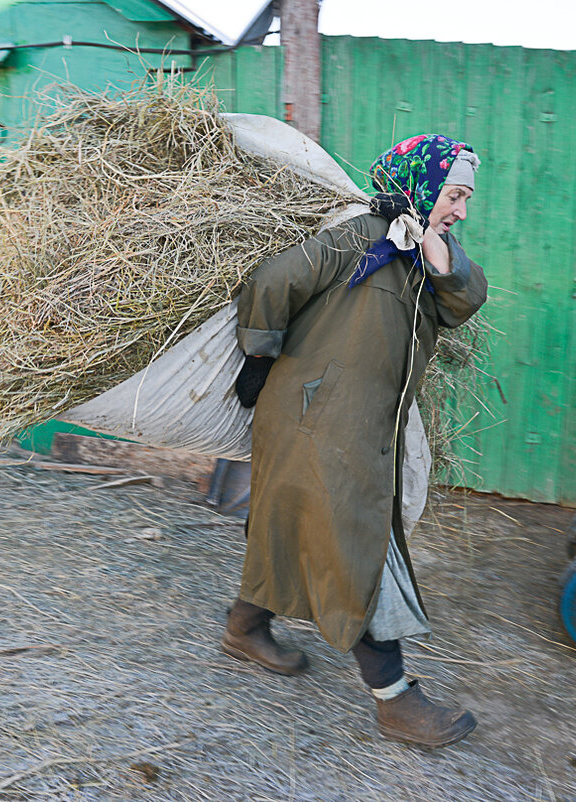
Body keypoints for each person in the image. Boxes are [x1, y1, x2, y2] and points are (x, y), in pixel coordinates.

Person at [222, 133, 487, 748]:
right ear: (423, 186)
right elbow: (271, 282)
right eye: (456, 194)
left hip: (358, 424)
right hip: (316, 421)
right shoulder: (354, 236)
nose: (462, 210)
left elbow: (465, 303)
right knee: (356, 544)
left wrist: (437, 249)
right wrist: (260, 358)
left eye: (467, 198)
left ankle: (244, 627)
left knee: (290, 526)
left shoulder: (424, 252)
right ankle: (395, 699)